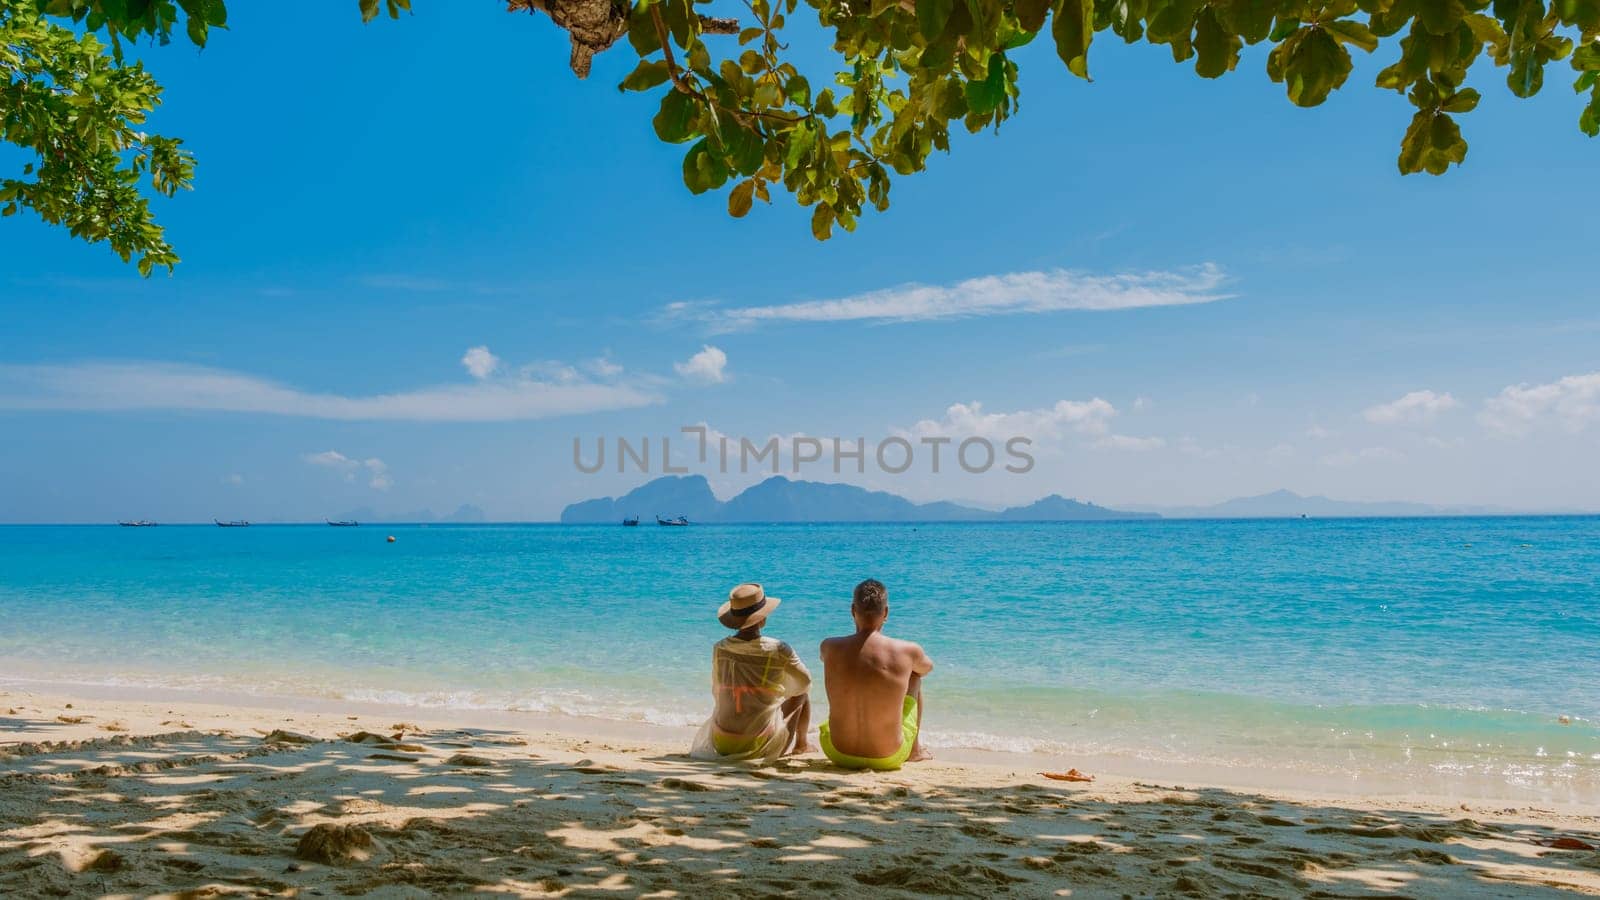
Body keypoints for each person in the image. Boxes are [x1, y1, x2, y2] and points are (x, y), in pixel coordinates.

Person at [690, 582, 816, 763]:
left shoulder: (720, 648)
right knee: (802, 694)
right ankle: (802, 744)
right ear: (763, 619)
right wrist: (780, 692)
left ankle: (800, 744)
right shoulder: (778, 649)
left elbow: (717, 689)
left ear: (733, 619)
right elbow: (805, 682)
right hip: (759, 745)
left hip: (721, 741)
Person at [818, 578, 934, 771]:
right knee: (914, 676)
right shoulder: (907, 650)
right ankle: (915, 751)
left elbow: (824, 659)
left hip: (837, 753)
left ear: (853, 611)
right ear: (886, 613)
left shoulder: (829, 647)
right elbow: (927, 668)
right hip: (888, 757)